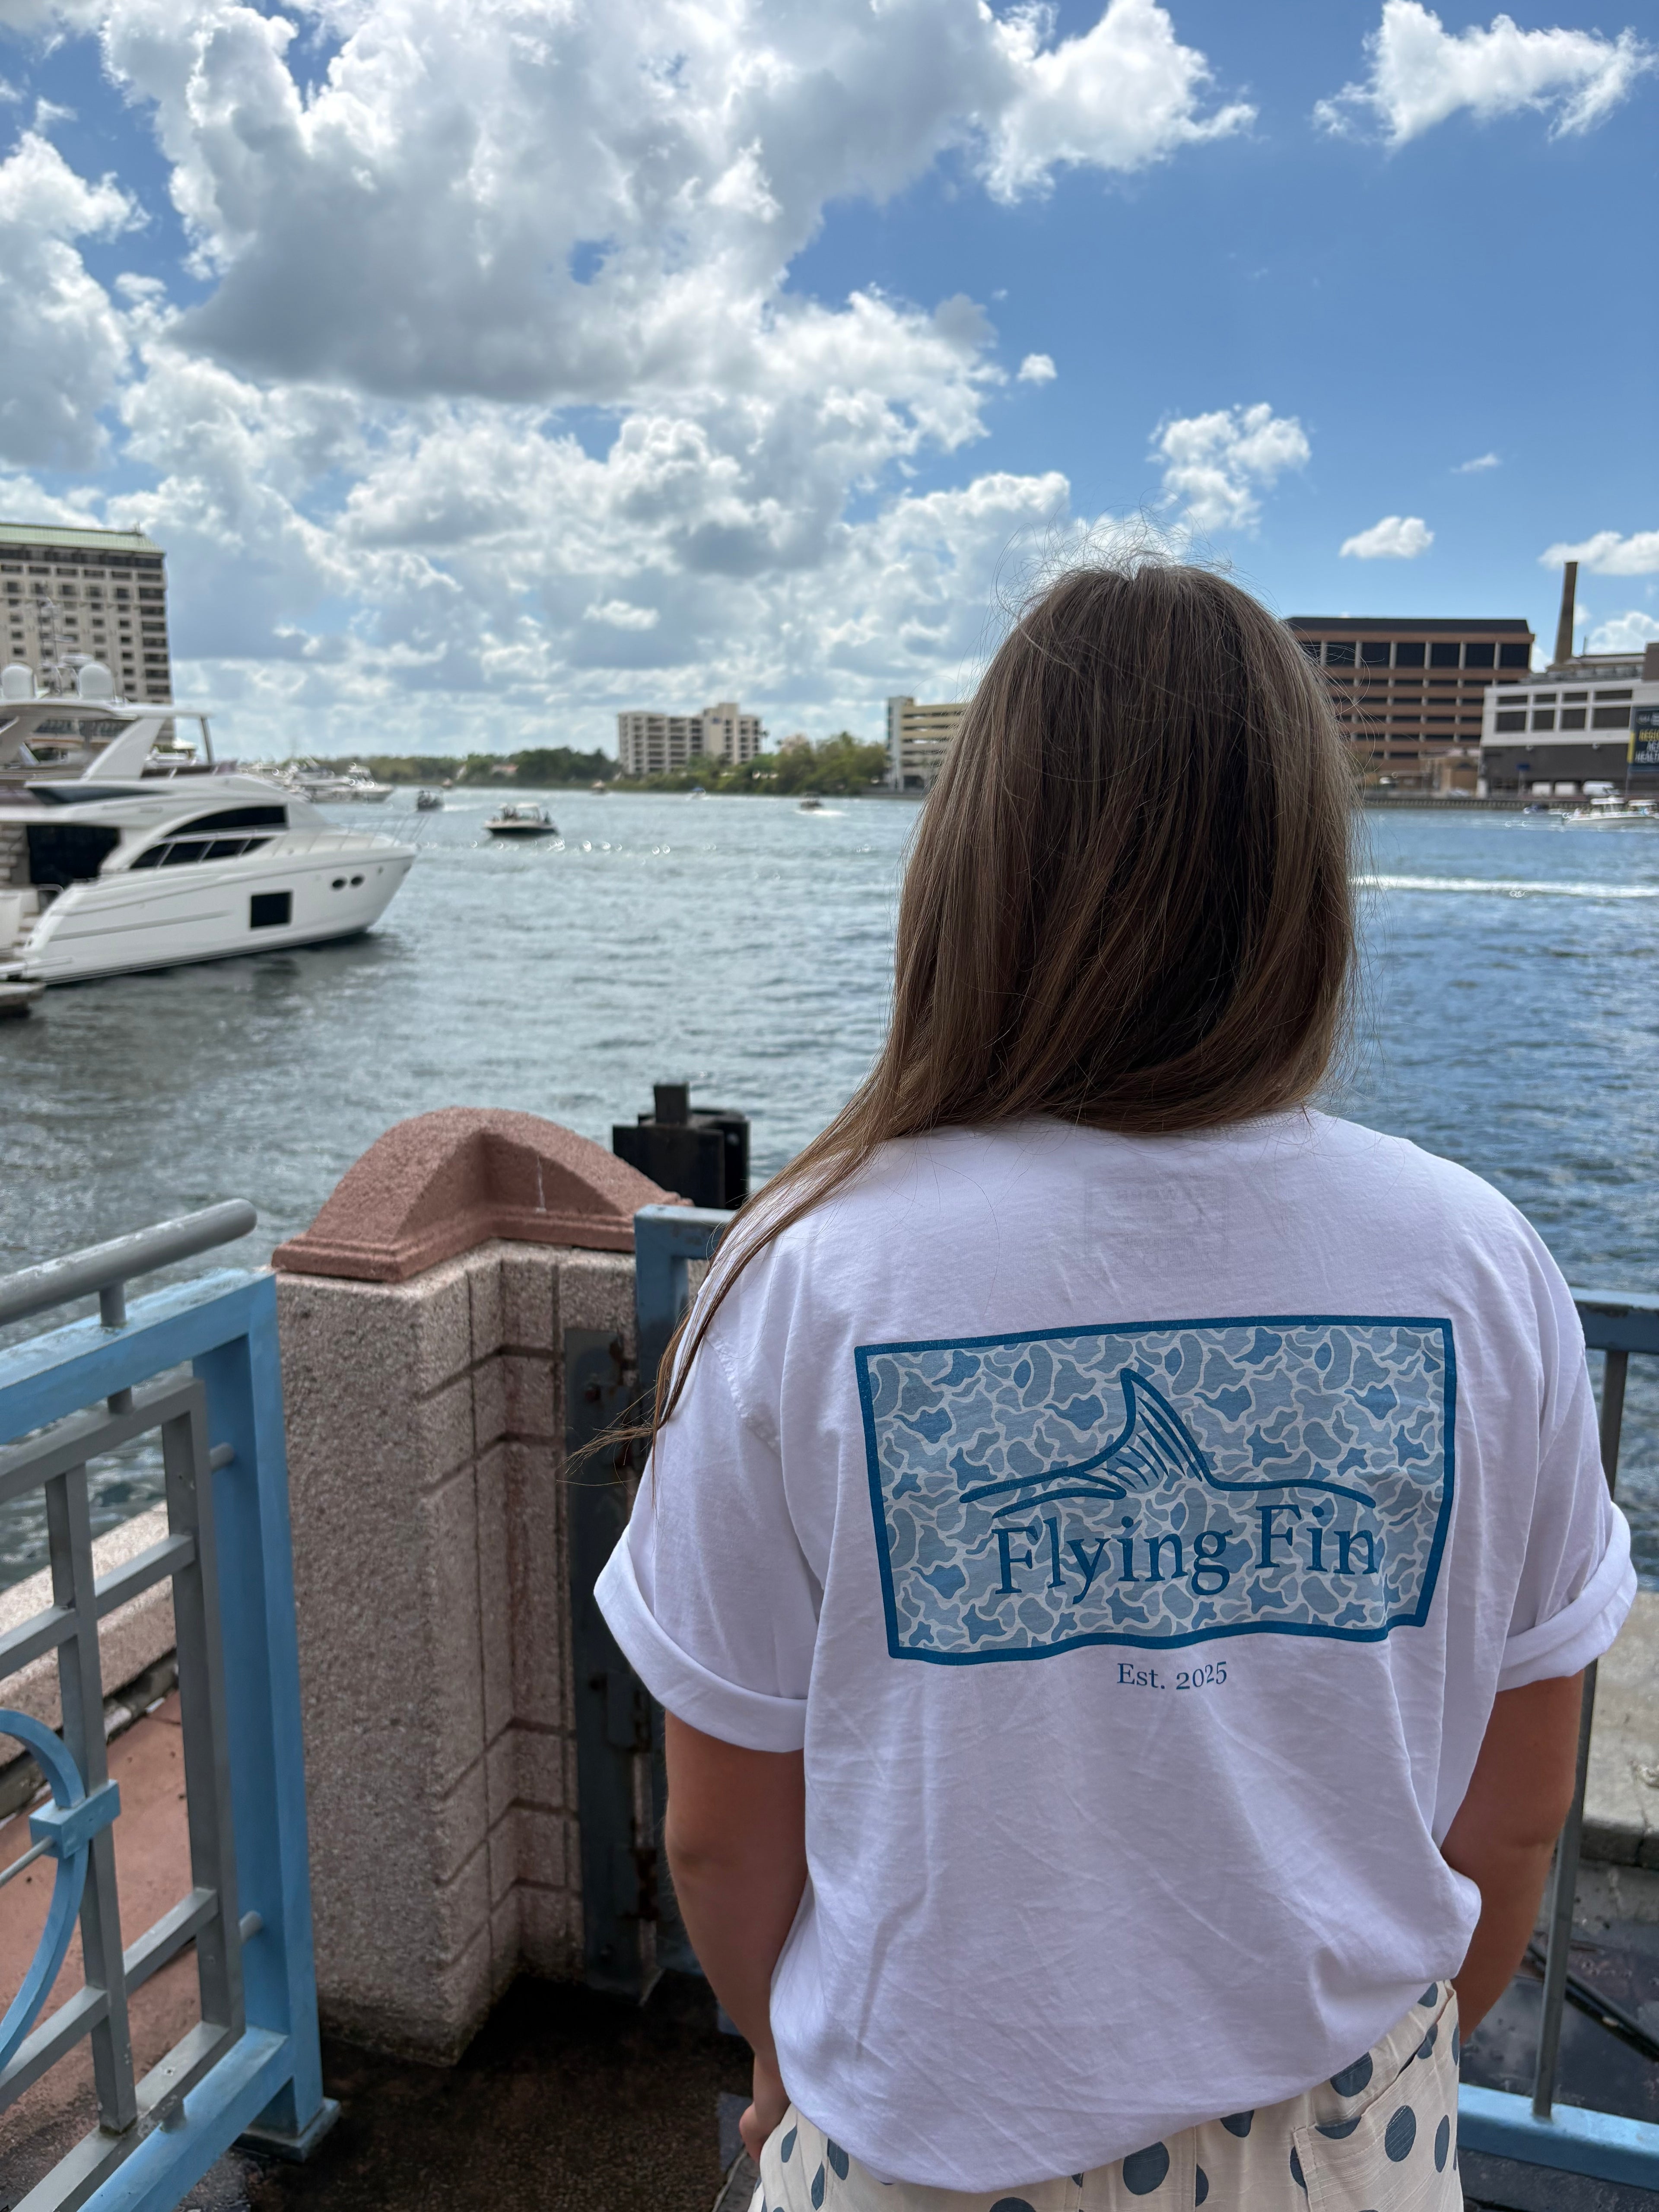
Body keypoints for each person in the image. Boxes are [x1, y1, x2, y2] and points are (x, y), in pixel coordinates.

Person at [596, 563, 1634, 2212]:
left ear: (975, 869)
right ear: (1306, 882)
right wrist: (1378, 2070)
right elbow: (1516, 1823)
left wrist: (783, 2059)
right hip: (1356, 2129)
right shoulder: (1481, 1264)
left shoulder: (806, 1268)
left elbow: (723, 1835)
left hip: (921, 2143)